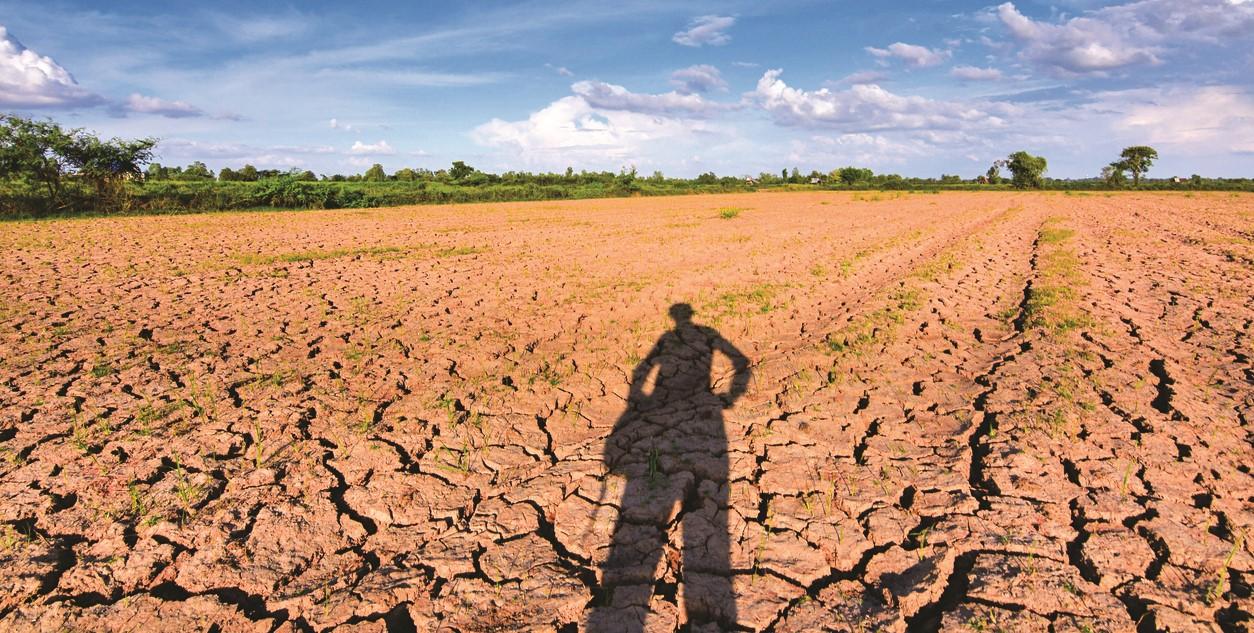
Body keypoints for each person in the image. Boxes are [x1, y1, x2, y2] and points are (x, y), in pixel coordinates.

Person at [588, 303, 751, 632]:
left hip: (671, 410)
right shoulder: (705, 334)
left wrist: (639, 398)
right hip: (692, 413)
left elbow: (641, 372)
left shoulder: (674, 337)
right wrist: (729, 397)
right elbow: (740, 362)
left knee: (659, 470)